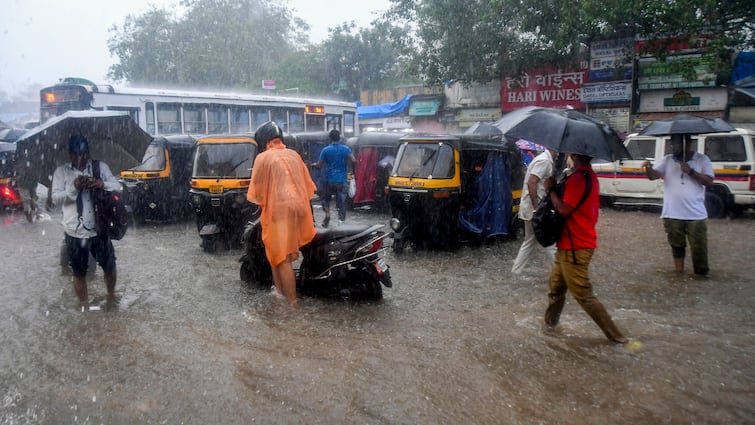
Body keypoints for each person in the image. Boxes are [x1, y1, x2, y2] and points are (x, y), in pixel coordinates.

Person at [542, 153, 628, 344]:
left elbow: (564, 210)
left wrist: (550, 190)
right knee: (555, 289)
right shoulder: (587, 175)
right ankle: (549, 328)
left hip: (575, 247)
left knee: (584, 295)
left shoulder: (579, 178)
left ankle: (618, 338)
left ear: (573, 155)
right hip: (569, 245)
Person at [247, 121, 317, 306]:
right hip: (300, 207)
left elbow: (258, 191)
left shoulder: (263, 158)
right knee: (275, 250)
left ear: (263, 140)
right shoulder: (294, 154)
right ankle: (278, 291)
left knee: (283, 257)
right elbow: (307, 183)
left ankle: (292, 304)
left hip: (280, 209)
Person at [51, 135, 121, 308]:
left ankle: (111, 296)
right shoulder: (61, 172)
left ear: (88, 153)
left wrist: (100, 183)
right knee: (79, 272)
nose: (80, 158)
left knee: (109, 266)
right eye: (76, 154)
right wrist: (74, 187)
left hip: (100, 228)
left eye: (83, 153)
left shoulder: (100, 167)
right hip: (74, 231)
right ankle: (84, 306)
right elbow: (55, 199)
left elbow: (117, 186)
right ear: (70, 154)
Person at [642, 133, 714, 276]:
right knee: (676, 246)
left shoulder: (702, 159)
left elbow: (709, 181)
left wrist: (691, 171)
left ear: (688, 143)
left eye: (677, 143)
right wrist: (648, 168)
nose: (674, 146)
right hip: (672, 213)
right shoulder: (668, 160)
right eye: (673, 143)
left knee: (699, 247)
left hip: (696, 214)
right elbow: (653, 176)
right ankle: (679, 274)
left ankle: (701, 275)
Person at [511, 148, 558, 275]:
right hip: (535, 210)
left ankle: (516, 271)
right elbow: (532, 182)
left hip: (531, 209)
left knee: (530, 242)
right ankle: (561, 275)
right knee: (548, 242)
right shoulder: (544, 161)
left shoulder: (544, 159)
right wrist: (536, 208)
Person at [314, 129, 356, 227]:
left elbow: (319, 165)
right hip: (342, 180)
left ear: (330, 138)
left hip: (329, 180)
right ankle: (341, 221)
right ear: (339, 138)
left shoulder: (326, 150)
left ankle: (327, 214)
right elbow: (353, 160)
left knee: (325, 199)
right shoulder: (346, 149)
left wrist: (314, 165)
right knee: (341, 200)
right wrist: (353, 171)